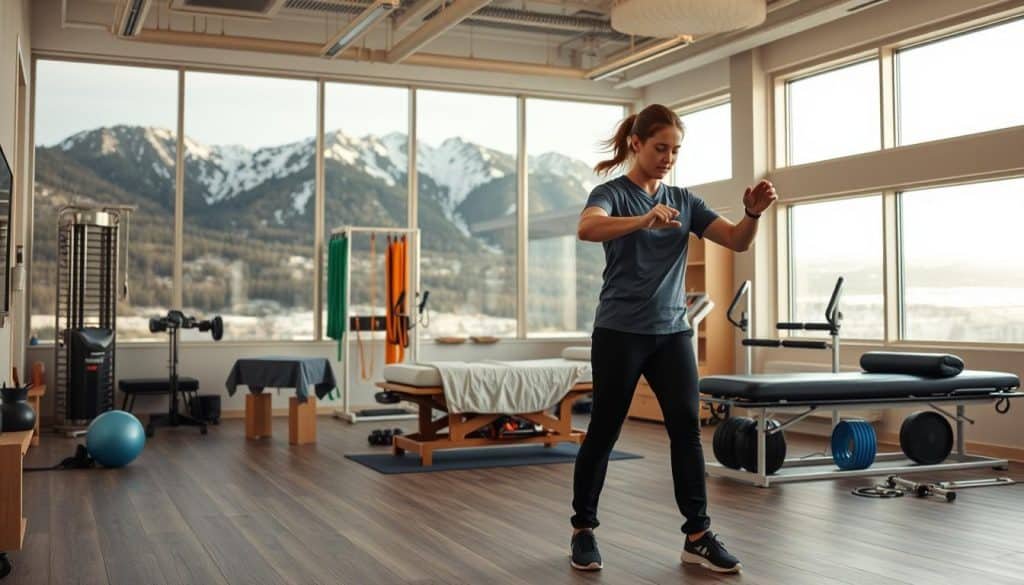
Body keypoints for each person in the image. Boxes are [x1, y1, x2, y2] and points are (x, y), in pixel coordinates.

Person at [569, 104, 777, 574]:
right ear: (636, 144)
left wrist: (752, 214)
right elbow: (587, 227)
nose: (668, 158)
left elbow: (737, 240)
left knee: (686, 430)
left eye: (675, 150)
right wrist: (643, 220)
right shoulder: (612, 194)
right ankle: (583, 529)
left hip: (672, 332)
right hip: (620, 331)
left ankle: (698, 536)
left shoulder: (685, 201)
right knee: (604, 430)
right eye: (660, 148)